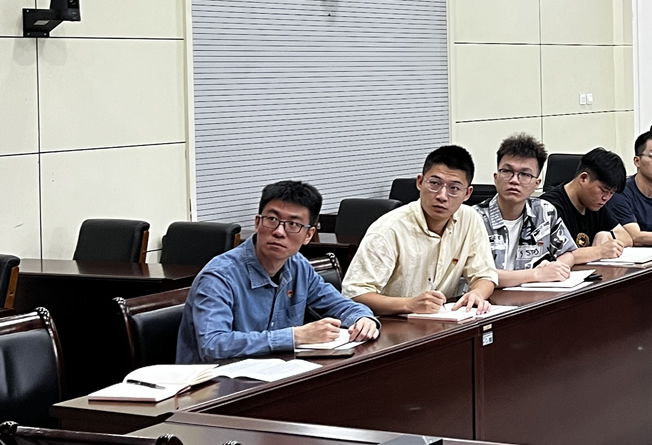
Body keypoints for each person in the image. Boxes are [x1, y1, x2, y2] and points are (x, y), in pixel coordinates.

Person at [178, 180, 379, 362]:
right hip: (214, 384)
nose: (279, 232)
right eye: (272, 219)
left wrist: (363, 319)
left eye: (293, 224)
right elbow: (213, 345)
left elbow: (340, 305)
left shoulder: (298, 266)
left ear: (308, 235)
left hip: (274, 375)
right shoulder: (219, 276)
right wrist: (295, 336)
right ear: (257, 222)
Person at [343, 145, 499, 315]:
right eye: (434, 183)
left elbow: (484, 275)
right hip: (390, 323)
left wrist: (477, 293)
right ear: (419, 182)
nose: (442, 196)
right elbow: (354, 295)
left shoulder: (469, 219)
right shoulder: (389, 230)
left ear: (467, 193)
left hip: (444, 321)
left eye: (454, 188)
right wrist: (409, 304)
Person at [478, 135, 622, 288]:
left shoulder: (544, 212)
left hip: (538, 296)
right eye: (507, 171)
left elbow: (568, 253)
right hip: (488, 299)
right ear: (496, 177)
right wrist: (536, 274)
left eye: (525, 174)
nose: (514, 180)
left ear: (536, 183)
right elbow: (478, 275)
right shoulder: (474, 218)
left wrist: (556, 267)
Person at [539, 147, 631, 251]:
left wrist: (609, 235)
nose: (606, 198)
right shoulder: (549, 207)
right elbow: (555, 254)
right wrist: (599, 251)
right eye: (603, 190)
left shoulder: (595, 206)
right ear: (583, 178)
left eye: (612, 193)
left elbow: (627, 238)